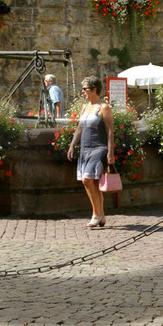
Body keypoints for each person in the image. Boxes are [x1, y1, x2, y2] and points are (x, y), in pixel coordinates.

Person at [66, 76, 115, 227]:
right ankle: (101, 215)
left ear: (94, 90)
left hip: (99, 148)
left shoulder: (104, 107)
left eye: (85, 89)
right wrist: (72, 145)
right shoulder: (85, 107)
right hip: (85, 149)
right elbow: (80, 128)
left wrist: (110, 152)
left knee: (87, 180)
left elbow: (110, 131)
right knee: (92, 182)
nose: (83, 92)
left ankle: (96, 214)